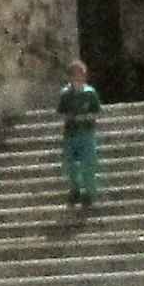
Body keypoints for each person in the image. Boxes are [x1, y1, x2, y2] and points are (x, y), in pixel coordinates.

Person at [57, 59, 105, 213]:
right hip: (70, 134)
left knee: (88, 163)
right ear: (69, 77)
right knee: (70, 164)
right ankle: (74, 190)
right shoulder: (65, 94)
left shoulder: (90, 94)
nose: (76, 78)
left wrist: (85, 118)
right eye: (73, 75)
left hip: (86, 133)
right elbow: (61, 114)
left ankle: (90, 193)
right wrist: (70, 118)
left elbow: (97, 112)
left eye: (80, 74)